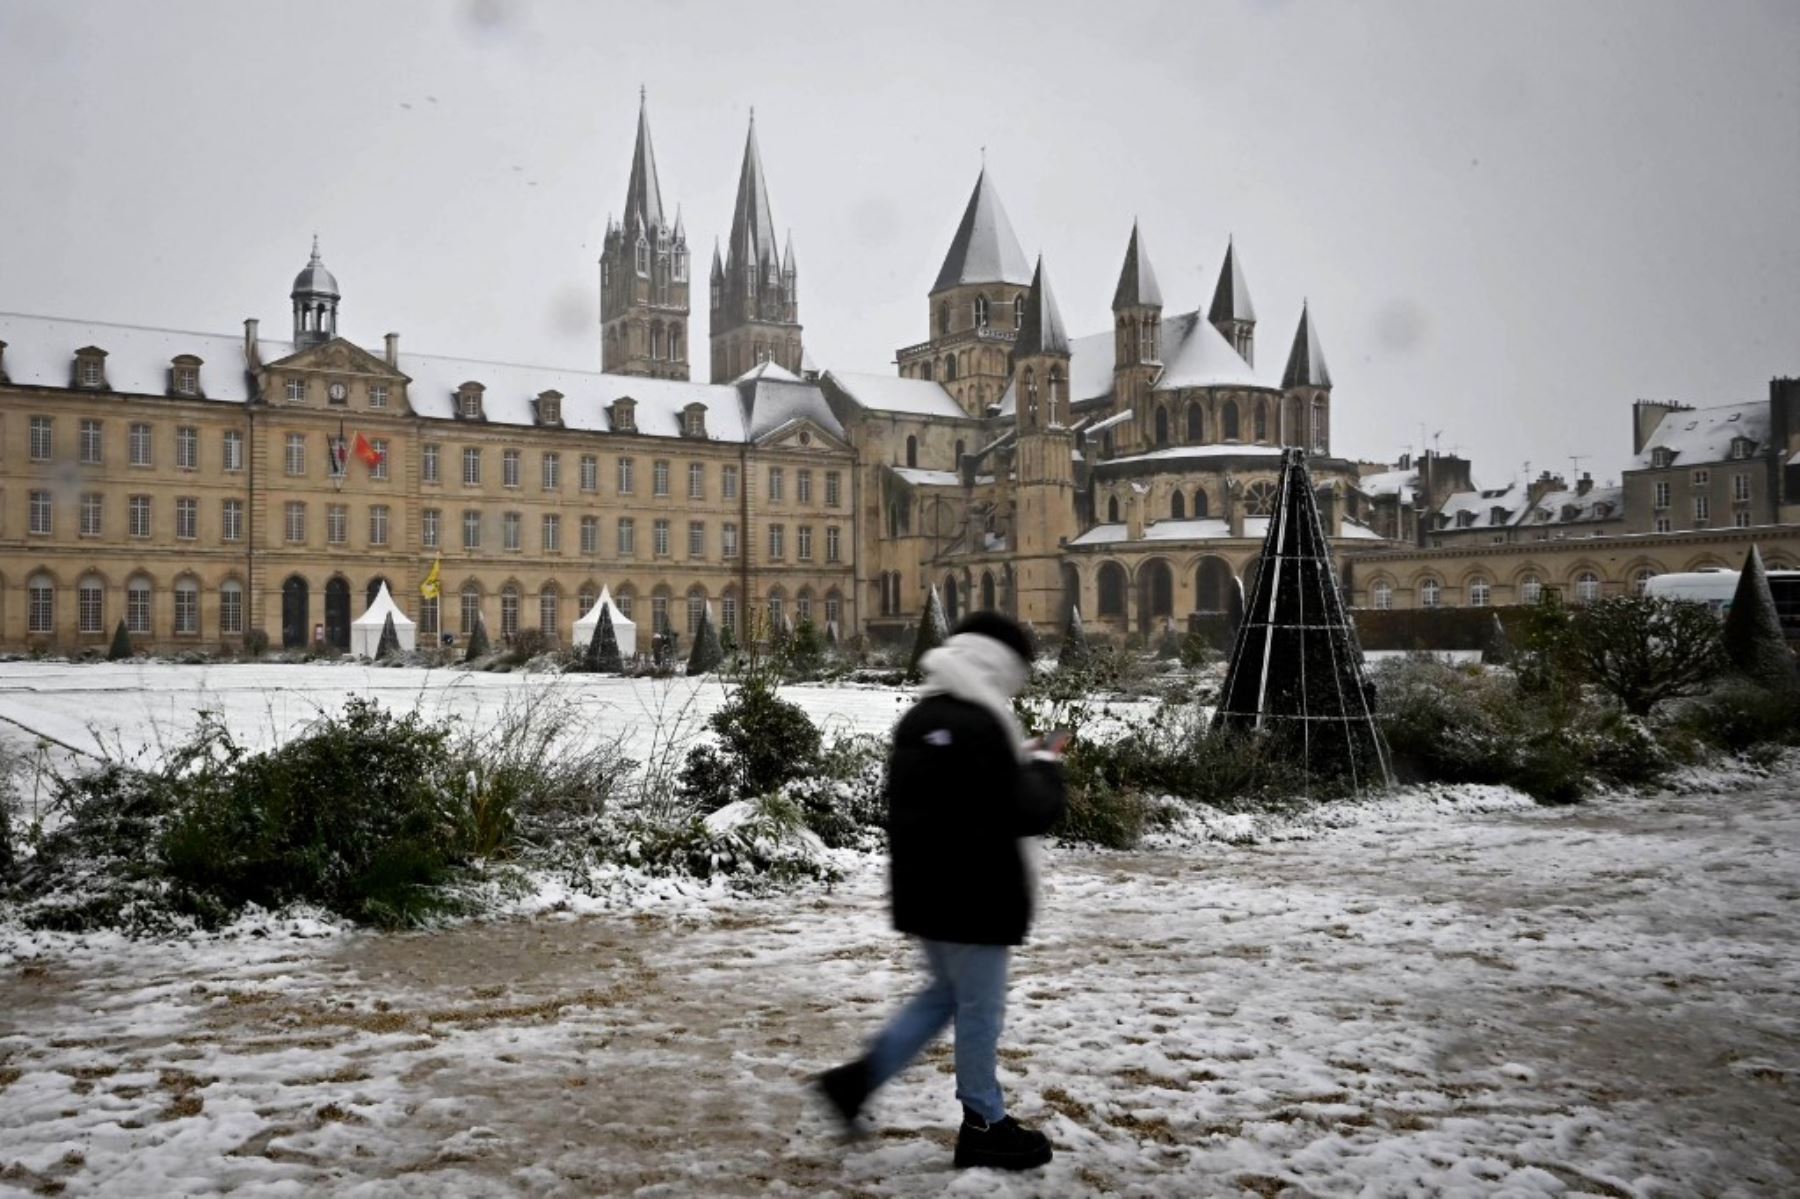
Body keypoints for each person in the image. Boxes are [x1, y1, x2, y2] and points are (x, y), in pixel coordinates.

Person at [816, 611, 1067, 1171]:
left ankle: (857, 1081)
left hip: (925, 890)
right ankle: (984, 1123)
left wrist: (1017, 763)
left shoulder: (923, 716)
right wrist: (1047, 765)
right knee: (979, 1010)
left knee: (941, 997)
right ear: (1000, 666)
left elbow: (954, 794)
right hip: (976, 894)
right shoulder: (982, 724)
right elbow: (1025, 810)